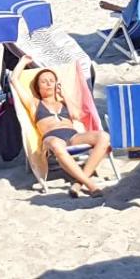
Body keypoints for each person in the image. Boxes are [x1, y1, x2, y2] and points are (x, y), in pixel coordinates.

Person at [31, 69, 110, 198]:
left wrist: (64, 96)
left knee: (104, 136)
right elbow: (14, 81)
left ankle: (78, 183)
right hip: (51, 137)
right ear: (37, 86)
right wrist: (23, 61)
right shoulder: (35, 103)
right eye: (44, 81)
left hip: (72, 136)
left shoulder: (63, 102)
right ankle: (90, 185)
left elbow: (76, 115)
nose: (49, 84)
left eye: (51, 81)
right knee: (56, 145)